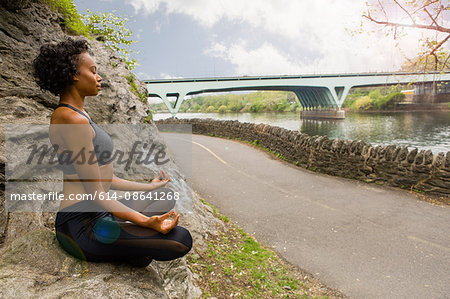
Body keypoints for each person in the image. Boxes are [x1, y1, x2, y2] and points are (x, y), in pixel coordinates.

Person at [33, 37, 192, 267]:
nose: (99, 78)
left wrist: (151, 185)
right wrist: (146, 222)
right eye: (93, 71)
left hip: (100, 213)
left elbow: (107, 179)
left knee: (164, 195)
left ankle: (124, 242)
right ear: (74, 75)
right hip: (81, 225)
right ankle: (123, 244)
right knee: (181, 240)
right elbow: (97, 192)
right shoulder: (70, 120)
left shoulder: (82, 116)